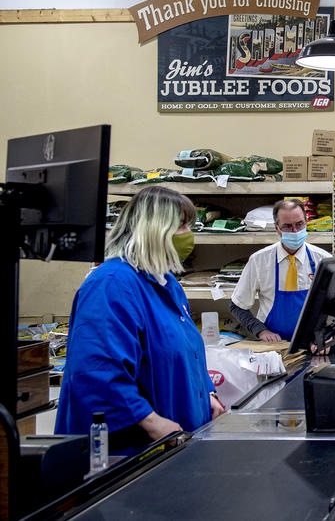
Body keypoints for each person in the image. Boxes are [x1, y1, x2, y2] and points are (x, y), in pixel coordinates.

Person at [55, 186, 224, 451]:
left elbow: (186, 353)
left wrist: (207, 393)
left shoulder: (167, 283)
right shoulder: (111, 285)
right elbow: (97, 372)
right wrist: (151, 421)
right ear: (153, 230)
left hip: (177, 443)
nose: (188, 235)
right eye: (180, 226)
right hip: (131, 452)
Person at [230, 199, 331, 341]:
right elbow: (237, 305)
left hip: (312, 342)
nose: (295, 231)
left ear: (306, 223)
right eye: (287, 227)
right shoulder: (259, 260)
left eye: (299, 224)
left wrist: (325, 335)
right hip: (272, 346)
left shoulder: (323, 260)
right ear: (277, 228)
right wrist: (261, 331)